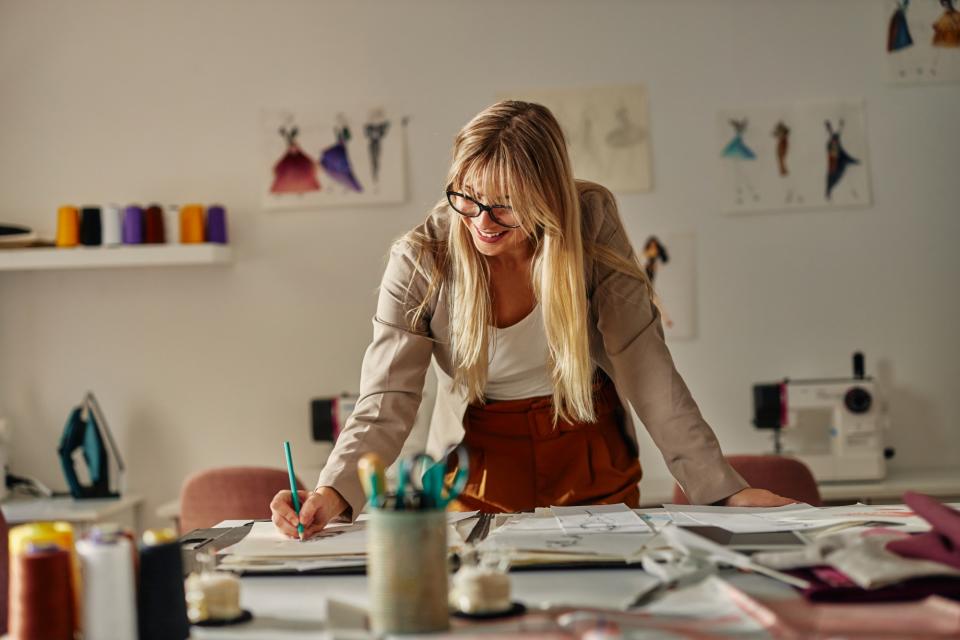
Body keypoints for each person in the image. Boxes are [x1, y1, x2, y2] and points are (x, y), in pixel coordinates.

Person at [271, 101, 791, 539]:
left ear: (547, 198)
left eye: (505, 207)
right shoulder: (420, 257)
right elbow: (387, 399)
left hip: (584, 434)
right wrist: (332, 491)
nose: (481, 222)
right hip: (478, 453)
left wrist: (721, 491)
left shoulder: (590, 220)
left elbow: (645, 362)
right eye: (467, 199)